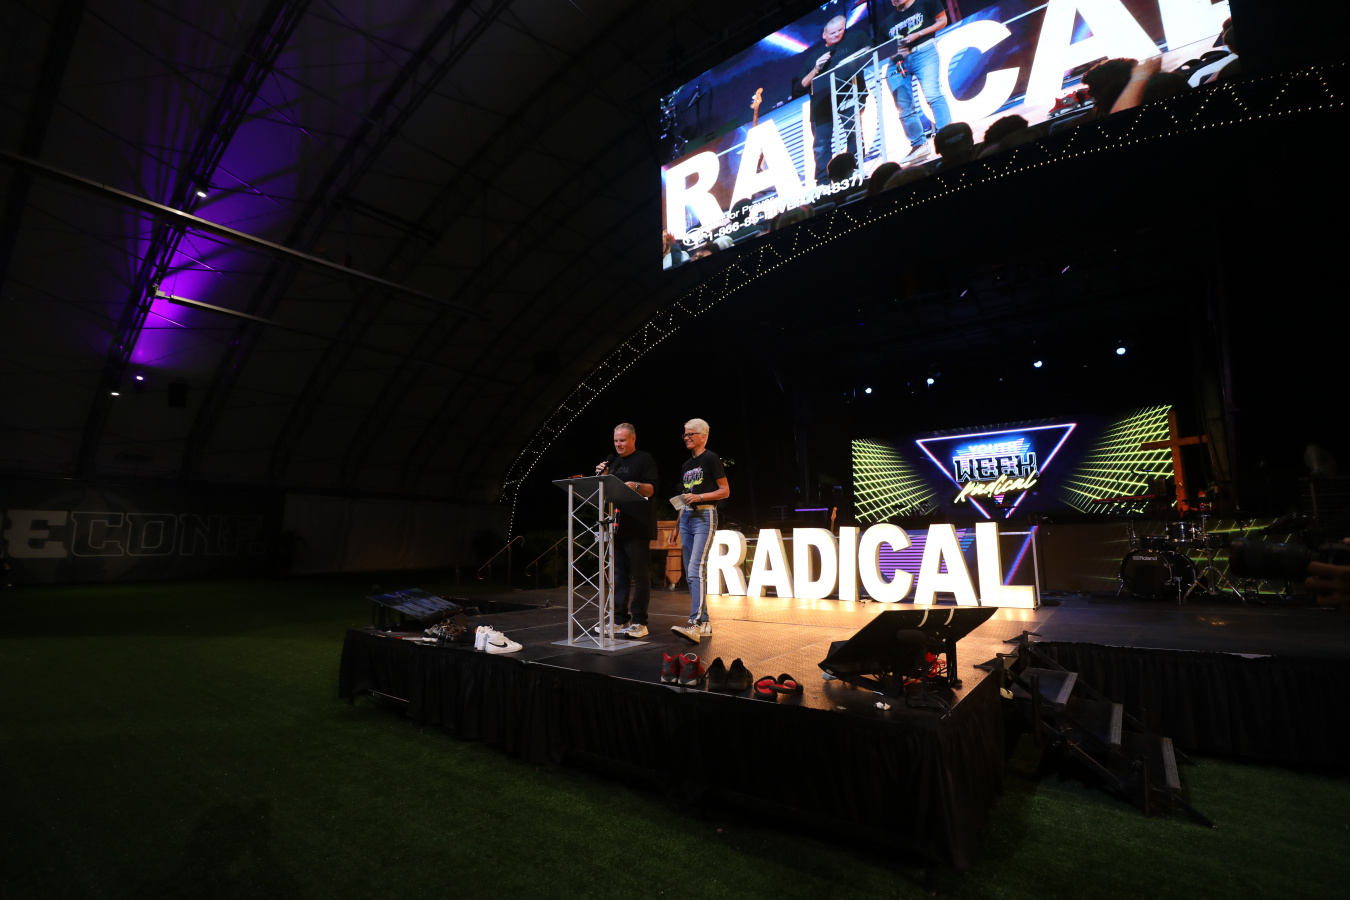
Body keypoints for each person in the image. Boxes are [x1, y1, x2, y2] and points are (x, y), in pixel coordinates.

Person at [595, 423, 659, 638]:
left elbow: (653, 488)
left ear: (633, 439)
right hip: (617, 526)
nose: (618, 444)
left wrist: (637, 486)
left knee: (640, 576)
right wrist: (602, 476)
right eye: (615, 441)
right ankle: (619, 620)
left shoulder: (644, 459)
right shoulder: (613, 463)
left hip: (638, 526)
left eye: (622, 440)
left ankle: (640, 622)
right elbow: (606, 492)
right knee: (619, 577)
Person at [791, 14, 870, 185]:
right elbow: (798, 87)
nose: (837, 34)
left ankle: (854, 172)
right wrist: (816, 69)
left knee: (854, 133)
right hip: (822, 104)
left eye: (840, 30)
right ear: (824, 35)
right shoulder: (814, 56)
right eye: (832, 33)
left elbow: (870, 51)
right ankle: (823, 182)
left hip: (849, 95)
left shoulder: (856, 38)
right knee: (821, 144)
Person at [670, 418, 729, 643]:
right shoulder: (686, 465)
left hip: (704, 516)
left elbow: (725, 490)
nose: (686, 437)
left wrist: (701, 497)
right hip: (686, 518)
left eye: (691, 434)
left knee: (696, 568)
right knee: (691, 573)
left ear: (703, 436)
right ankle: (704, 622)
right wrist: (676, 526)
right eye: (685, 434)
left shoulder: (711, 458)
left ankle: (694, 623)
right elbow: (685, 498)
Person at [881, 0, 952, 164]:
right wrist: (897, 58)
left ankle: (947, 136)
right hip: (898, 61)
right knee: (903, 106)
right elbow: (884, 48)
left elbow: (942, 20)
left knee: (933, 94)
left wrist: (919, 34)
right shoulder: (886, 23)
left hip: (924, 51)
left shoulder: (925, 3)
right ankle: (919, 145)